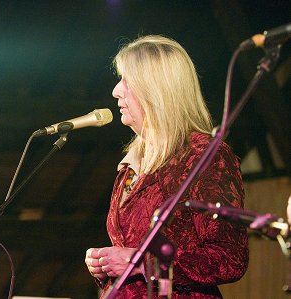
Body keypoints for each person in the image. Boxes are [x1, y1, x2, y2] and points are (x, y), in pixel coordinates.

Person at [85, 35, 249, 298]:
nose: (116, 90)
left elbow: (230, 258)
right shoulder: (131, 165)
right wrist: (105, 264)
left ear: (156, 89)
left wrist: (139, 262)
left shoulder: (203, 155)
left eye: (127, 80)